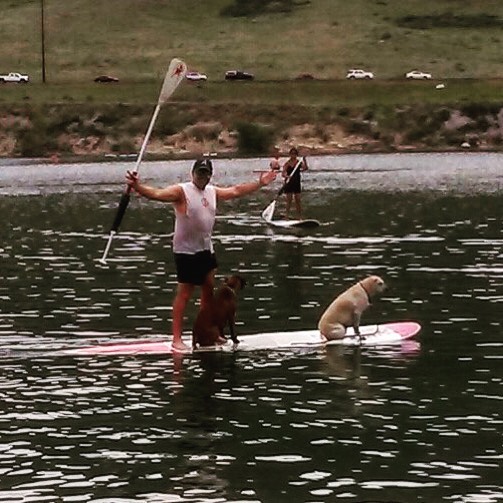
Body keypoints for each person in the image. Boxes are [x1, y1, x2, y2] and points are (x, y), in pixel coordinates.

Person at [125, 159, 276, 351]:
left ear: (210, 176)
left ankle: (208, 332)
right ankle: (176, 339)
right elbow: (156, 194)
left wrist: (260, 183)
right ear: (192, 173)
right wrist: (137, 186)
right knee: (185, 294)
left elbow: (236, 191)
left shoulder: (212, 192)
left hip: (206, 249)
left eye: (205, 173)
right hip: (186, 252)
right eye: (199, 172)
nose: (202, 177)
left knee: (208, 290)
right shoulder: (181, 191)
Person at [281, 147, 308, 219]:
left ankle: (299, 217)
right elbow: (283, 174)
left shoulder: (299, 162)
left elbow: (305, 168)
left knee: (298, 200)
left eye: (294, 154)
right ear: (290, 154)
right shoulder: (287, 163)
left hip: (296, 183)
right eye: (292, 154)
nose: (293, 155)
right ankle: (286, 216)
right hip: (289, 183)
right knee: (289, 200)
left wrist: (305, 160)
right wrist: (287, 176)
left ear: (296, 155)